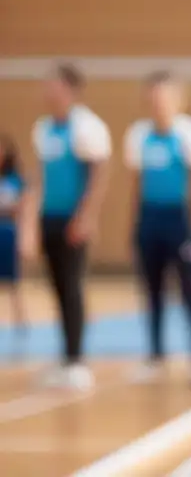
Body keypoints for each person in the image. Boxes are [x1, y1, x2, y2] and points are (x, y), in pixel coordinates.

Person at [25, 64, 111, 390]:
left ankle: (77, 360)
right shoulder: (44, 129)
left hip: (73, 219)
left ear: (71, 89)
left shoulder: (86, 127)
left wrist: (86, 216)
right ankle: (65, 357)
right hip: (50, 217)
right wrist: (31, 224)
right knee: (57, 289)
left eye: (54, 84)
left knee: (73, 287)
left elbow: (98, 174)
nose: (48, 90)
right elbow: (39, 179)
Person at [123, 72, 191, 384]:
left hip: (179, 220)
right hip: (150, 218)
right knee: (152, 289)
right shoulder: (138, 136)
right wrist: (135, 224)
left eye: (164, 97)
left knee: (189, 288)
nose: (158, 104)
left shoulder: (190, 135)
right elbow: (136, 184)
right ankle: (156, 355)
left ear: (178, 100)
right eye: (153, 98)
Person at [0, 135, 29, 353]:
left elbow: (23, 205)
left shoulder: (16, 179)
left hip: (9, 231)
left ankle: (21, 321)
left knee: (13, 281)